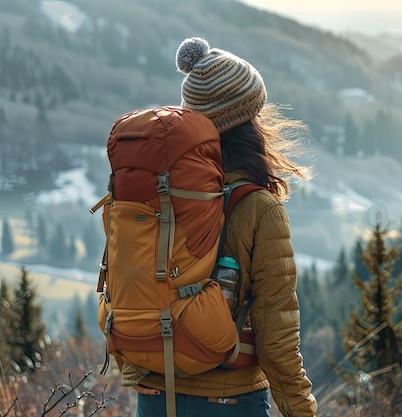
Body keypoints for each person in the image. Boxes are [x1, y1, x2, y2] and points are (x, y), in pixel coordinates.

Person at [121, 37, 317, 417]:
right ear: (250, 121)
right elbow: (276, 333)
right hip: (229, 401)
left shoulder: (158, 195)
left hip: (155, 398)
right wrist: (302, 410)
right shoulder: (259, 207)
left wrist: (141, 374)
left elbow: (127, 283)